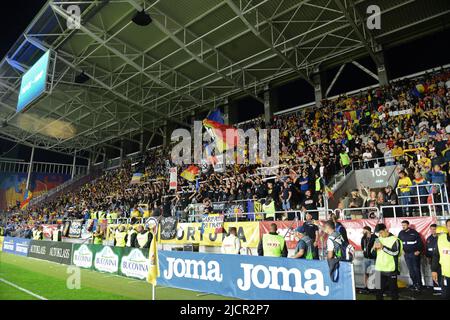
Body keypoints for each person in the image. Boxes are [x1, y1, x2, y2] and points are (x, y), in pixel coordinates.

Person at [373, 223, 402, 300]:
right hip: (378, 269)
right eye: (379, 233)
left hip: (391, 269)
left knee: (393, 291)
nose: (380, 235)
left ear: (386, 230)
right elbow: (373, 254)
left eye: (381, 232)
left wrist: (383, 247)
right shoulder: (378, 239)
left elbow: (396, 253)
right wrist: (374, 249)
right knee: (378, 291)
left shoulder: (395, 240)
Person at [398, 220, 424, 291]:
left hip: (414, 254)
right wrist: (401, 250)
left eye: (404, 225)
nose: (403, 226)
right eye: (402, 225)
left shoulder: (414, 232)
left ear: (408, 225)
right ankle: (414, 284)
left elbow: (420, 242)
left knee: (416, 269)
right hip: (406, 254)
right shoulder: (401, 233)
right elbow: (399, 242)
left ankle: (419, 285)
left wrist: (418, 251)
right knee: (411, 270)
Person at [431, 219, 450, 300]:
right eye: (449, 226)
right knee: (445, 296)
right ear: (446, 227)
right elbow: (436, 255)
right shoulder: (441, 238)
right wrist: (434, 270)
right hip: (445, 275)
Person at [361, 226, 377, 292]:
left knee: (373, 273)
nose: (363, 232)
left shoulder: (375, 237)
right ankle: (366, 287)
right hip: (365, 259)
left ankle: (374, 288)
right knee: (365, 273)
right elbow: (362, 247)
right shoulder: (363, 238)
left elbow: (377, 247)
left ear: (368, 231)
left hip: (373, 259)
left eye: (364, 230)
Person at [426, 224, 441, 295]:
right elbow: (426, 249)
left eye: (434, 229)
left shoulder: (440, 238)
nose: (432, 230)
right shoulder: (428, 239)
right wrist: (428, 257)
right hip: (432, 260)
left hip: (440, 260)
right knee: (434, 275)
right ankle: (436, 290)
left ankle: (442, 289)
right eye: (431, 229)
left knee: (440, 275)